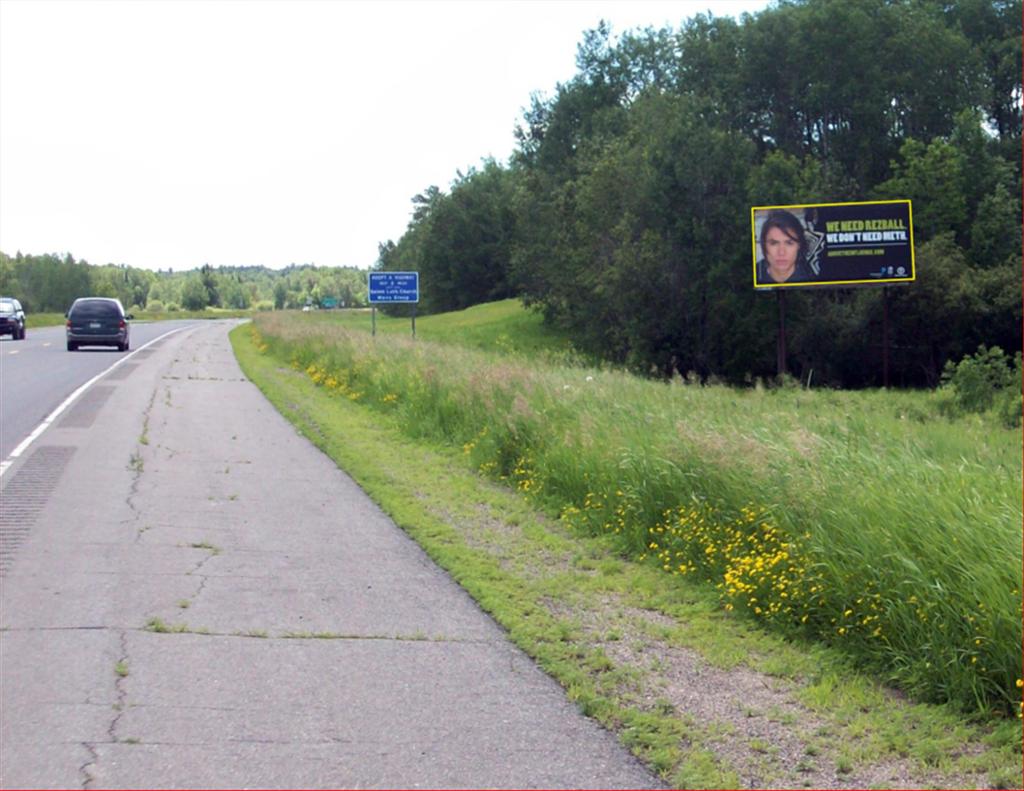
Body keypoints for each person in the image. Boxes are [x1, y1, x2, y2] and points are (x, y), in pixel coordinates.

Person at [755, 210, 814, 284]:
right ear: (764, 244)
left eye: (789, 243)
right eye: (774, 243)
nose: (781, 252)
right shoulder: (754, 274)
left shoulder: (811, 279)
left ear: (799, 245)